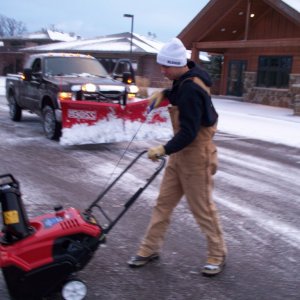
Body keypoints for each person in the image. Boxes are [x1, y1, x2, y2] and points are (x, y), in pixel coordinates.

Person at [127, 38, 227, 276]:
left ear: (177, 64)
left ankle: (218, 253)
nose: (163, 71)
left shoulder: (192, 88)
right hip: (181, 155)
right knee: (163, 204)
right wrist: (165, 94)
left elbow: (190, 133)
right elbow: (179, 91)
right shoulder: (186, 79)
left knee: (202, 208)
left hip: (196, 155)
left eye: (166, 67)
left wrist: (164, 149)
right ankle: (149, 248)